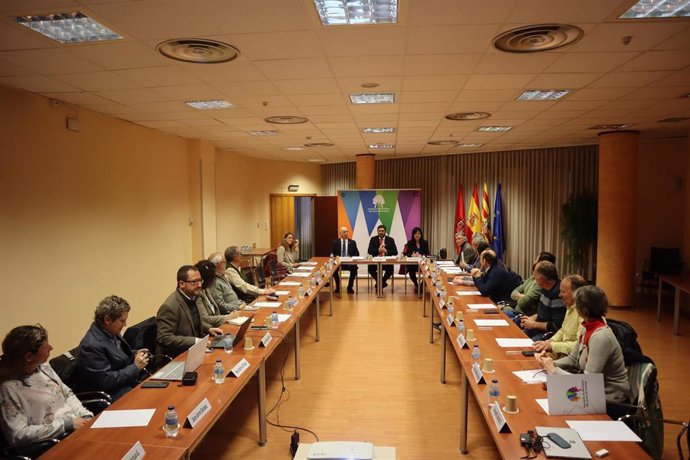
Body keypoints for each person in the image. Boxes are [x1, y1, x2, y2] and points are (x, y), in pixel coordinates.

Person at [536, 285, 630, 419]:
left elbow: (588, 382)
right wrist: (550, 364)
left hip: (609, 400)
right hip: (592, 393)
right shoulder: (587, 328)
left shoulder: (600, 337)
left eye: (577, 304)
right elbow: (573, 359)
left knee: (552, 417)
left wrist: (554, 372)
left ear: (584, 309)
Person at [0, 325, 93, 451]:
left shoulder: (44, 368)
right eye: (46, 347)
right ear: (29, 357)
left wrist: (85, 415)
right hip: (51, 444)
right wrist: (67, 425)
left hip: (76, 428)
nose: (51, 348)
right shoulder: (8, 389)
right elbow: (18, 435)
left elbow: (67, 394)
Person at [76, 295, 149, 401]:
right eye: (122, 321)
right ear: (107, 320)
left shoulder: (110, 331)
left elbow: (117, 355)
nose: (125, 324)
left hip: (128, 384)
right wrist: (135, 367)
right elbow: (105, 381)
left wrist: (135, 353)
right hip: (114, 394)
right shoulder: (90, 346)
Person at [156, 265, 224, 358]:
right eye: (194, 282)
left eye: (200, 280)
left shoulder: (193, 296)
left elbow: (192, 321)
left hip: (198, 350)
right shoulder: (169, 307)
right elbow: (164, 337)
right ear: (181, 284)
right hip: (180, 356)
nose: (199, 285)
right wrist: (195, 341)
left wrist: (208, 328)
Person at [533, 274, 587, 358]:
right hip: (562, 354)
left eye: (563, 292)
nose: (559, 295)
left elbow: (579, 345)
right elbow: (563, 330)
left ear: (576, 293)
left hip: (573, 359)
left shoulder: (585, 313)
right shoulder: (570, 308)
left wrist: (552, 346)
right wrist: (550, 341)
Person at [518, 261, 566, 340]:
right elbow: (544, 313)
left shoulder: (558, 294)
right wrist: (532, 318)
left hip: (548, 334)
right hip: (538, 328)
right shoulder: (545, 288)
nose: (533, 277)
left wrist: (533, 324)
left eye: (535, 276)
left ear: (541, 279)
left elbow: (556, 326)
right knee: (516, 331)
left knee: (527, 344)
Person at [506, 251, 557, 317]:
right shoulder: (533, 278)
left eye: (536, 259)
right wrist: (523, 296)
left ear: (541, 263)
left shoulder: (541, 284)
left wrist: (520, 297)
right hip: (516, 311)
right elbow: (513, 293)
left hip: (524, 316)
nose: (534, 261)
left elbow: (522, 303)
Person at [195, 260, 241, 326]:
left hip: (220, 323)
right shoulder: (197, 295)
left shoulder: (206, 289)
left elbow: (215, 311)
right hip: (212, 328)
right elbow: (205, 319)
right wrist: (228, 317)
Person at [367, 224, 398, 290]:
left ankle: (380, 283)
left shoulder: (390, 240)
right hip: (376, 261)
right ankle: (382, 283)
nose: (381, 232)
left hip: (386, 261)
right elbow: (369, 251)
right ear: (377, 231)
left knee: (390, 269)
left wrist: (386, 251)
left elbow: (395, 252)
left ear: (385, 232)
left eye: (382, 231)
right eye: (379, 231)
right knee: (370, 268)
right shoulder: (373, 239)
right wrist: (378, 250)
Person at [330, 227, 359, 294]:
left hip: (348, 263)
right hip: (338, 263)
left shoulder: (352, 242)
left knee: (354, 268)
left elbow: (357, 253)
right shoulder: (335, 242)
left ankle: (350, 287)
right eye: (344, 232)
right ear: (340, 233)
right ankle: (338, 286)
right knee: (333, 270)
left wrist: (351, 257)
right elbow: (331, 253)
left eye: (347, 232)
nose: (346, 233)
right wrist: (335, 256)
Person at [403, 227, 430, 293]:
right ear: (413, 235)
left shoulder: (425, 242)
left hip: (423, 264)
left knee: (429, 272)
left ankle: (421, 285)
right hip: (413, 264)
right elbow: (406, 253)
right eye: (415, 234)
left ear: (421, 234)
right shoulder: (410, 242)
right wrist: (412, 255)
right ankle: (416, 284)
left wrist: (422, 256)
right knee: (411, 270)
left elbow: (427, 254)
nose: (417, 235)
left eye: (419, 233)